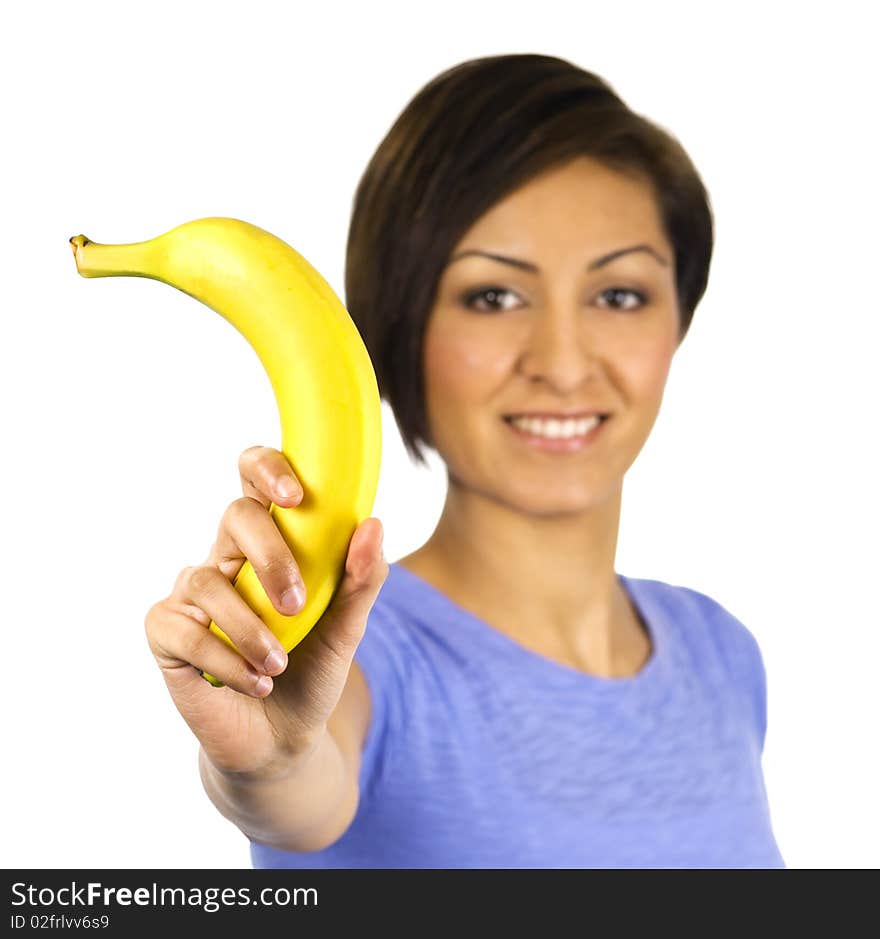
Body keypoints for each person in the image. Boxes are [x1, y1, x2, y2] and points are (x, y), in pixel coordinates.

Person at [145, 53, 786, 868]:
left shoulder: (722, 652)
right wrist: (265, 759)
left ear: (677, 321)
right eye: (494, 296)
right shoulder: (347, 657)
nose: (562, 361)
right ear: (399, 329)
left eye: (620, 294)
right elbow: (295, 781)